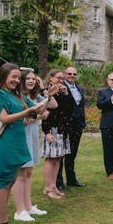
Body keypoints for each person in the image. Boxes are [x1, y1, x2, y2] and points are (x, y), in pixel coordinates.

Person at [0, 64, 48, 224]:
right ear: (3, 76)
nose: (16, 80)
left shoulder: (17, 95)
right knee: (3, 184)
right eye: (14, 77)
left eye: (18, 78)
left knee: (10, 183)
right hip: (6, 143)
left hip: (18, 142)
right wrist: (27, 111)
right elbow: (3, 118)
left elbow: (39, 109)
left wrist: (49, 93)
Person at [13, 68, 48, 222]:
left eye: (34, 78)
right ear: (21, 80)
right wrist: (39, 115)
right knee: (20, 173)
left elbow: (51, 104)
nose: (31, 81)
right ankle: (19, 210)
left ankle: (28, 206)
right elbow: (24, 119)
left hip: (32, 134)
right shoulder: (16, 97)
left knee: (28, 172)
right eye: (28, 78)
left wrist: (43, 89)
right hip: (21, 136)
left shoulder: (33, 96)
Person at [40, 69, 71, 198]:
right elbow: (45, 113)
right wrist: (46, 132)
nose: (61, 80)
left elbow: (69, 108)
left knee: (58, 159)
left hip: (62, 129)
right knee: (50, 159)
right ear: (51, 78)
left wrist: (66, 93)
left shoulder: (61, 92)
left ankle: (53, 186)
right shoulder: (46, 92)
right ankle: (48, 189)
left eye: (62, 78)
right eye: (58, 78)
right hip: (51, 128)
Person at [61, 66, 87, 189]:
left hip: (77, 126)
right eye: (69, 73)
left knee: (72, 153)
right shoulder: (61, 88)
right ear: (64, 74)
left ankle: (71, 179)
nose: (72, 76)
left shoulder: (80, 89)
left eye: (74, 74)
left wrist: (83, 123)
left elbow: (81, 107)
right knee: (60, 155)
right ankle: (58, 182)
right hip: (64, 125)